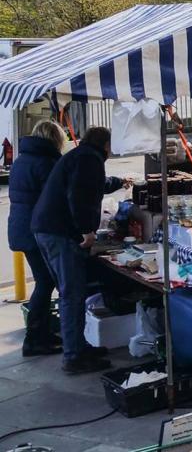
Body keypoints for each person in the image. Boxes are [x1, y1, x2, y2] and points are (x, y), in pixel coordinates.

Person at [31, 127, 130, 373]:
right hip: (59, 233)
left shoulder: (81, 155)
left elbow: (92, 185)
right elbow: (79, 195)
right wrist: (87, 230)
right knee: (72, 293)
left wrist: (119, 182)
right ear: (106, 144)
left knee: (70, 292)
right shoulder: (89, 159)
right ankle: (74, 356)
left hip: (47, 229)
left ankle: (78, 346)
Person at [8, 120, 67, 357]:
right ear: (56, 139)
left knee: (44, 280)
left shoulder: (22, 160)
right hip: (36, 230)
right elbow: (61, 195)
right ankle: (33, 339)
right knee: (45, 282)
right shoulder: (47, 163)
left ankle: (40, 332)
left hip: (20, 228)